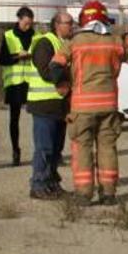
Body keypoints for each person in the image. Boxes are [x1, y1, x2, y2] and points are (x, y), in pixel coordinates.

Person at [49, 0, 128, 205]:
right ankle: (108, 194)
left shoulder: (74, 42)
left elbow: (55, 67)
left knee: (82, 149)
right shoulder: (115, 41)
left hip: (82, 107)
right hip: (109, 105)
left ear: (84, 20)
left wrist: (64, 87)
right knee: (107, 148)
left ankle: (84, 195)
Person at [27, 12, 74, 199]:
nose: (71, 26)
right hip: (43, 105)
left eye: (72, 23)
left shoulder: (66, 44)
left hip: (60, 106)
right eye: (68, 23)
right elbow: (46, 71)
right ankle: (38, 185)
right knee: (44, 148)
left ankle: (52, 183)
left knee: (56, 150)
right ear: (56, 24)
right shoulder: (44, 43)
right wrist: (65, 79)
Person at [0, 6, 37, 166]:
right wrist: (17, 57)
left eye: (30, 24)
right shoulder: (8, 36)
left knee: (38, 117)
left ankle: (40, 150)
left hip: (31, 82)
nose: (28, 27)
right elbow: (2, 59)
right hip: (14, 83)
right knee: (14, 119)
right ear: (19, 20)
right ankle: (16, 150)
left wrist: (30, 55)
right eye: (25, 23)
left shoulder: (36, 36)